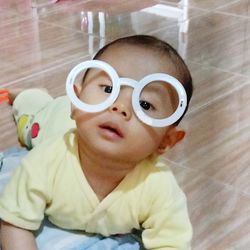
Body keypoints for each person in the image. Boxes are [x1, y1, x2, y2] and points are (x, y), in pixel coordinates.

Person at [0, 35, 193, 250]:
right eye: (109, 89)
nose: (120, 107)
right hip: (53, 122)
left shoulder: (160, 187)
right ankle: (28, 95)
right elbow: (14, 222)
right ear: (76, 103)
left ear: (166, 141)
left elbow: (172, 244)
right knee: (32, 120)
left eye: (145, 104)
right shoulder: (45, 161)